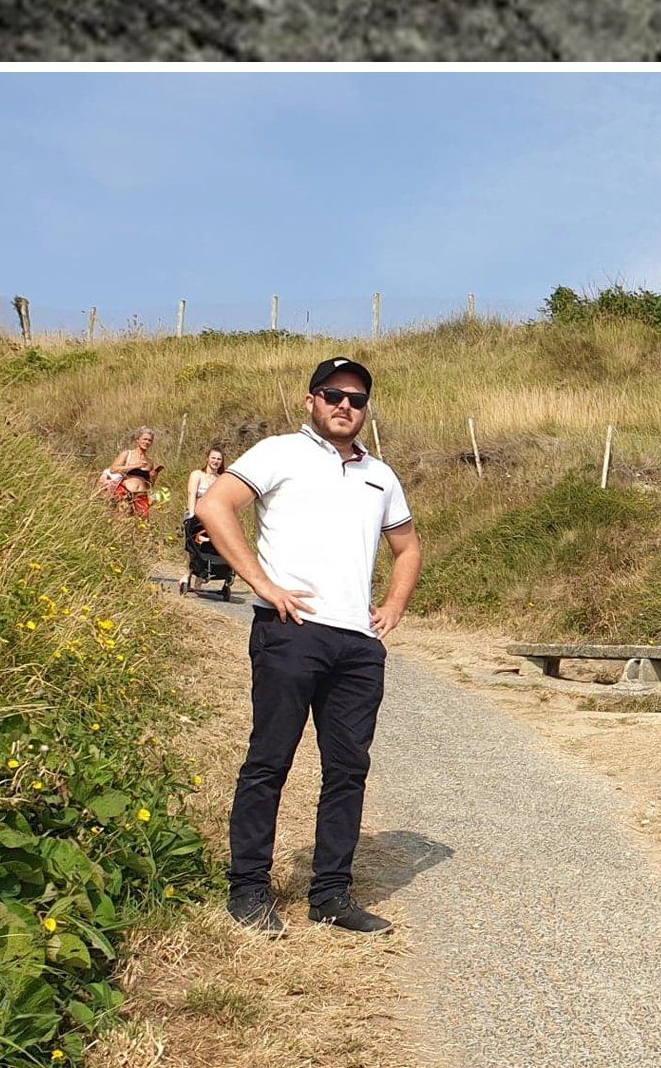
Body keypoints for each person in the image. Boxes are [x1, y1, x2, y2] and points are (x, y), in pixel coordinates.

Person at [194, 356, 422, 938]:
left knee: (348, 769)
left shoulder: (382, 476)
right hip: (289, 632)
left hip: (358, 645)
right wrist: (262, 584)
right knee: (270, 761)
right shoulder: (278, 452)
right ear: (311, 400)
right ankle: (248, 890)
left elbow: (408, 548)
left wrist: (393, 606)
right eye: (332, 394)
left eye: (357, 398)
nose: (345, 405)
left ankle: (330, 895)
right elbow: (213, 507)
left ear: (366, 408)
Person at [99, 429, 160, 513]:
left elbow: (149, 486)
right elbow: (113, 469)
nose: (147, 442)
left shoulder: (150, 462)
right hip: (125, 493)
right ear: (138, 440)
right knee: (123, 520)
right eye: (144, 439)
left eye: (149, 440)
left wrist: (153, 478)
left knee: (142, 523)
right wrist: (135, 466)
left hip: (141, 496)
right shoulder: (127, 454)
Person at [186, 444, 226, 518]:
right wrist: (191, 515)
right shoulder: (197, 474)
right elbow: (191, 494)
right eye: (213, 458)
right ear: (207, 459)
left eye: (219, 459)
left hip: (213, 518)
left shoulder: (221, 479)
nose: (215, 461)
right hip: (196, 516)